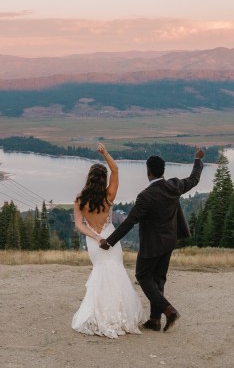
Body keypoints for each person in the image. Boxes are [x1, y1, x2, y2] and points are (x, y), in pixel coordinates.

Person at [100, 147, 204, 332]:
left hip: (152, 245)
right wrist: (197, 159)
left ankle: (168, 310)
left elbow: (129, 222)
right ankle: (155, 320)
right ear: (162, 171)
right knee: (158, 280)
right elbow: (194, 179)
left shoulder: (145, 196)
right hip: (169, 241)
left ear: (148, 172)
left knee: (142, 275)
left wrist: (109, 241)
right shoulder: (174, 185)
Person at [71, 142, 147, 338]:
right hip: (111, 239)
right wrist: (105, 154)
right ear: (103, 179)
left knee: (100, 273)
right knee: (116, 272)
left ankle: (99, 315)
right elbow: (116, 169)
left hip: (95, 241)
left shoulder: (80, 200)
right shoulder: (109, 196)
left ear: (88, 179)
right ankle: (119, 314)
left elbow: (79, 225)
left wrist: (95, 236)